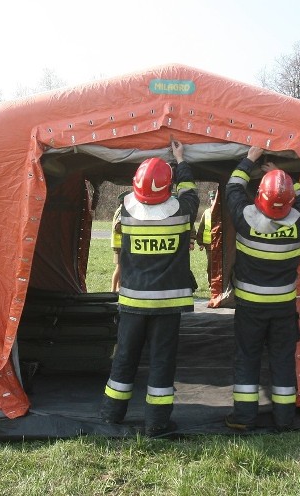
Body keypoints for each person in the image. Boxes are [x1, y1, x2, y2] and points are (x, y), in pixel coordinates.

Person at [99, 139, 199, 435]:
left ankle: (111, 415)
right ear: (168, 187)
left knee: (125, 359)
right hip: (168, 305)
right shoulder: (184, 210)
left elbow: (136, 195)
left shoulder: (126, 211)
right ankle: (157, 422)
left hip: (132, 304)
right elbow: (189, 190)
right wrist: (180, 160)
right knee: (162, 362)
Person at [224, 146, 300, 432]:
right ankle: (284, 419)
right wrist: (284, 176)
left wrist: (251, 160)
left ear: (259, 194)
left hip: (250, 307)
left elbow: (233, 186)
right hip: (283, 307)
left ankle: (244, 417)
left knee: (247, 359)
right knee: (282, 359)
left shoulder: (246, 218)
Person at [194, 190, 217, 285]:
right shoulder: (206, 212)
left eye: (214, 199)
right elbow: (201, 227)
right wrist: (200, 243)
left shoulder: (223, 212)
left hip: (220, 244)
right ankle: (211, 284)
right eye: (211, 199)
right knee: (210, 266)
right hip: (209, 245)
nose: (212, 201)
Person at [110, 191, 130, 292]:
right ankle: (113, 290)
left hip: (120, 244)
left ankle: (118, 288)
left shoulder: (120, 209)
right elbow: (118, 227)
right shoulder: (122, 210)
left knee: (122, 267)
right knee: (119, 267)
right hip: (119, 244)